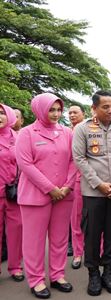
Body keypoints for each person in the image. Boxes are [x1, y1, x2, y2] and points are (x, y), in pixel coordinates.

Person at [72, 90, 111, 296]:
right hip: (93, 192)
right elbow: (79, 159)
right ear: (94, 108)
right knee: (92, 234)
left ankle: (109, 272)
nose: (110, 110)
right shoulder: (82, 129)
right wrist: (99, 184)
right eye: (105, 106)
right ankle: (93, 274)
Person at [16, 93, 76, 298]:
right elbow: (25, 164)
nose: (56, 114)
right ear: (40, 109)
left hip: (64, 195)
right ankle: (36, 280)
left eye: (59, 110)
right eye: (51, 109)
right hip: (35, 196)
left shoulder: (67, 132)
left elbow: (74, 161)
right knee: (34, 241)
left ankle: (58, 275)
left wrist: (67, 186)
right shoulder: (26, 133)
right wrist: (50, 188)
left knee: (60, 238)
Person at [0, 104, 24, 282]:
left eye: (1, 113)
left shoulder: (19, 137)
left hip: (14, 193)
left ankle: (15, 267)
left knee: (16, 231)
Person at [68, 105, 85, 269]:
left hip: (94, 182)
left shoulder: (90, 129)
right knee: (76, 219)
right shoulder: (67, 132)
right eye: (70, 113)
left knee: (96, 220)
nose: (72, 115)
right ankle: (78, 253)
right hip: (76, 182)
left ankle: (99, 251)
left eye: (75, 112)